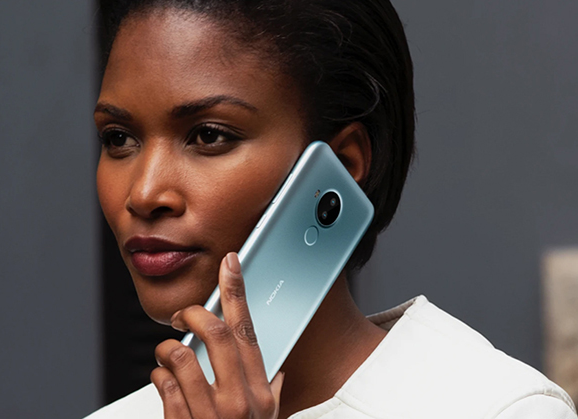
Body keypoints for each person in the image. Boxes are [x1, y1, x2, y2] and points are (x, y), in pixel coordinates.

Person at [87, 1, 577, 418]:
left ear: (342, 166)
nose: (143, 193)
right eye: (118, 138)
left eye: (209, 135)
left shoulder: (499, 408)